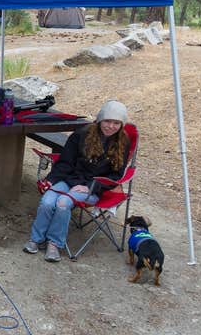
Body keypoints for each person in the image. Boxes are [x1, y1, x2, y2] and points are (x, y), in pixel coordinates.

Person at [23, 100, 131, 262]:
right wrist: (51, 180)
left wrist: (90, 187)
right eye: (107, 121)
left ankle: (54, 243)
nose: (111, 126)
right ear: (100, 120)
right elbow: (65, 161)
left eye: (116, 123)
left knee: (63, 203)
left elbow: (115, 176)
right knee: (47, 201)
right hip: (70, 180)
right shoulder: (81, 134)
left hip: (95, 188)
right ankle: (36, 239)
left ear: (121, 125)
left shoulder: (123, 142)